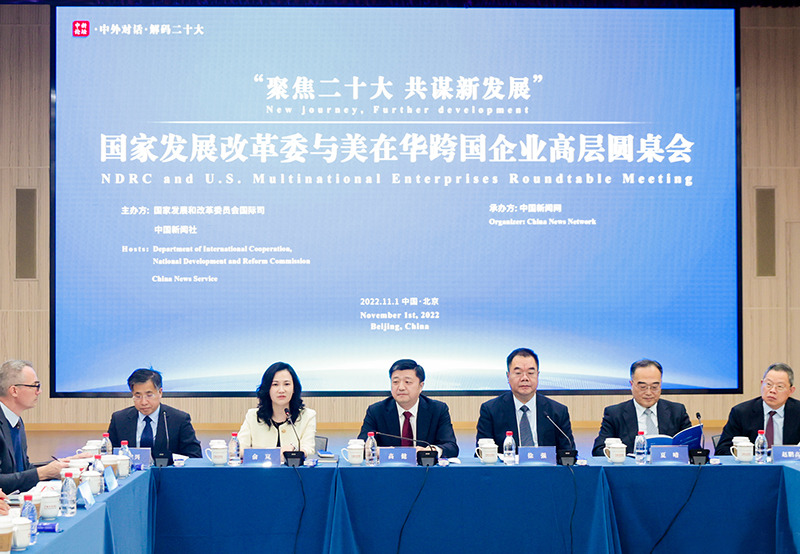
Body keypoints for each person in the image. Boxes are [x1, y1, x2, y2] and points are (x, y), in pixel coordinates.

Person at [476, 348, 574, 452]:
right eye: (518, 373)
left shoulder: (557, 412)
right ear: (508, 376)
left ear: (537, 375)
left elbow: (568, 452)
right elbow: (482, 453)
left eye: (530, 373)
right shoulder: (491, 411)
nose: (525, 378)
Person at [358, 359, 459, 458]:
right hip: (389, 467)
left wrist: (430, 451)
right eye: (395, 382)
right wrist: (379, 451)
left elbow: (451, 447)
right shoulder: (376, 411)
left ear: (420, 386)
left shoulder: (438, 410)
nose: (401, 387)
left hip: (424, 468)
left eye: (408, 382)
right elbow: (361, 446)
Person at [591, 359, 692, 456]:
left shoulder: (677, 411)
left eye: (654, 387)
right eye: (643, 387)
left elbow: (692, 447)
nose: (648, 392)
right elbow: (598, 450)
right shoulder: (615, 414)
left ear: (660, 384)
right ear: (631, 384)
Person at [0, 360, 68, 492]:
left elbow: (23, 470)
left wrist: (62, 464)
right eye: (35, 386)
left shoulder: (16, 421)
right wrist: (43, 472)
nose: (39, 391)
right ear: (14, 390)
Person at [107, 368, 202, 461]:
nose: (143, 402)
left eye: (149, 395)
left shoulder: (179, 419)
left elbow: (194, 456)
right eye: (138, 396)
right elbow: (109, 455)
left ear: (160, 392)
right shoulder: (119, 419)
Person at [716, 363, 800, 455]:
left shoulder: (798, 411)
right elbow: (722, 450)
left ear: (791, 391)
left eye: (779, 386)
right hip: (752, 463)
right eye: (768, 384)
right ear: (762, 384)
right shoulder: (741, 412)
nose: (772, 390)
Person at [237, 362, 317, 456]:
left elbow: (309, 450)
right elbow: (239, 449)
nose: (281, 390)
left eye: (286, 384)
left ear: (294, 388)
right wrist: (276, 454)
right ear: (267, 389)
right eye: (275, 384)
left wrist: (295, 453)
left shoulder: (307, 416)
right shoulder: (252, 416)